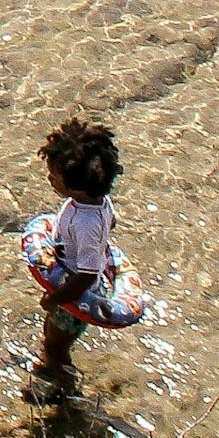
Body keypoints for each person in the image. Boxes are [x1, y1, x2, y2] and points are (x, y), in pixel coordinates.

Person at [24, 116, 143, 396]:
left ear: (75, 185)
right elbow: (109, 225)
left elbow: (88, 272)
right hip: (75, 279)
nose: (49, 179)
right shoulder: (99, 202)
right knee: (54, 334)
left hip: (78, 291)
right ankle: (54, 372)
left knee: (56, 344)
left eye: (54, 176)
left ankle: (64, 390)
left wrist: (55, 297)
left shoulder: (85, 223)